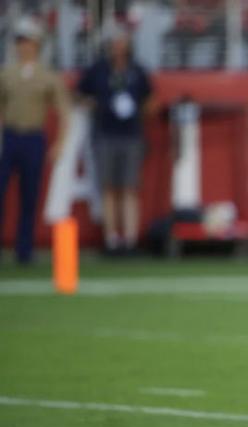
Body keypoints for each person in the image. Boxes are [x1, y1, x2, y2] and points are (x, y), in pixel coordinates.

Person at [0, 17, 70, 265]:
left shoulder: (48, 77)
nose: (23, 46)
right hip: (9, 137)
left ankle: (24, 249)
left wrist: (60, 142)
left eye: (28, 41)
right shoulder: (7, 73)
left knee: (29, 196)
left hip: (33, 138)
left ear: (37, 45)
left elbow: (64, 111)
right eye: (20, 41)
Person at [77, 27, 154, 254]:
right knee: (108, 188)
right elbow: (79, 94)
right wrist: (96, 104)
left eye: (122, 42)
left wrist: (138, 109)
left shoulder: (137, 70)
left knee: (129, 188)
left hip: (131, 135)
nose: (118, 47)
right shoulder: (98, 70)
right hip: (105, 134)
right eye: (114, 43)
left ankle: (130, 239)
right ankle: (111, 239)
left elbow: (151, 99)